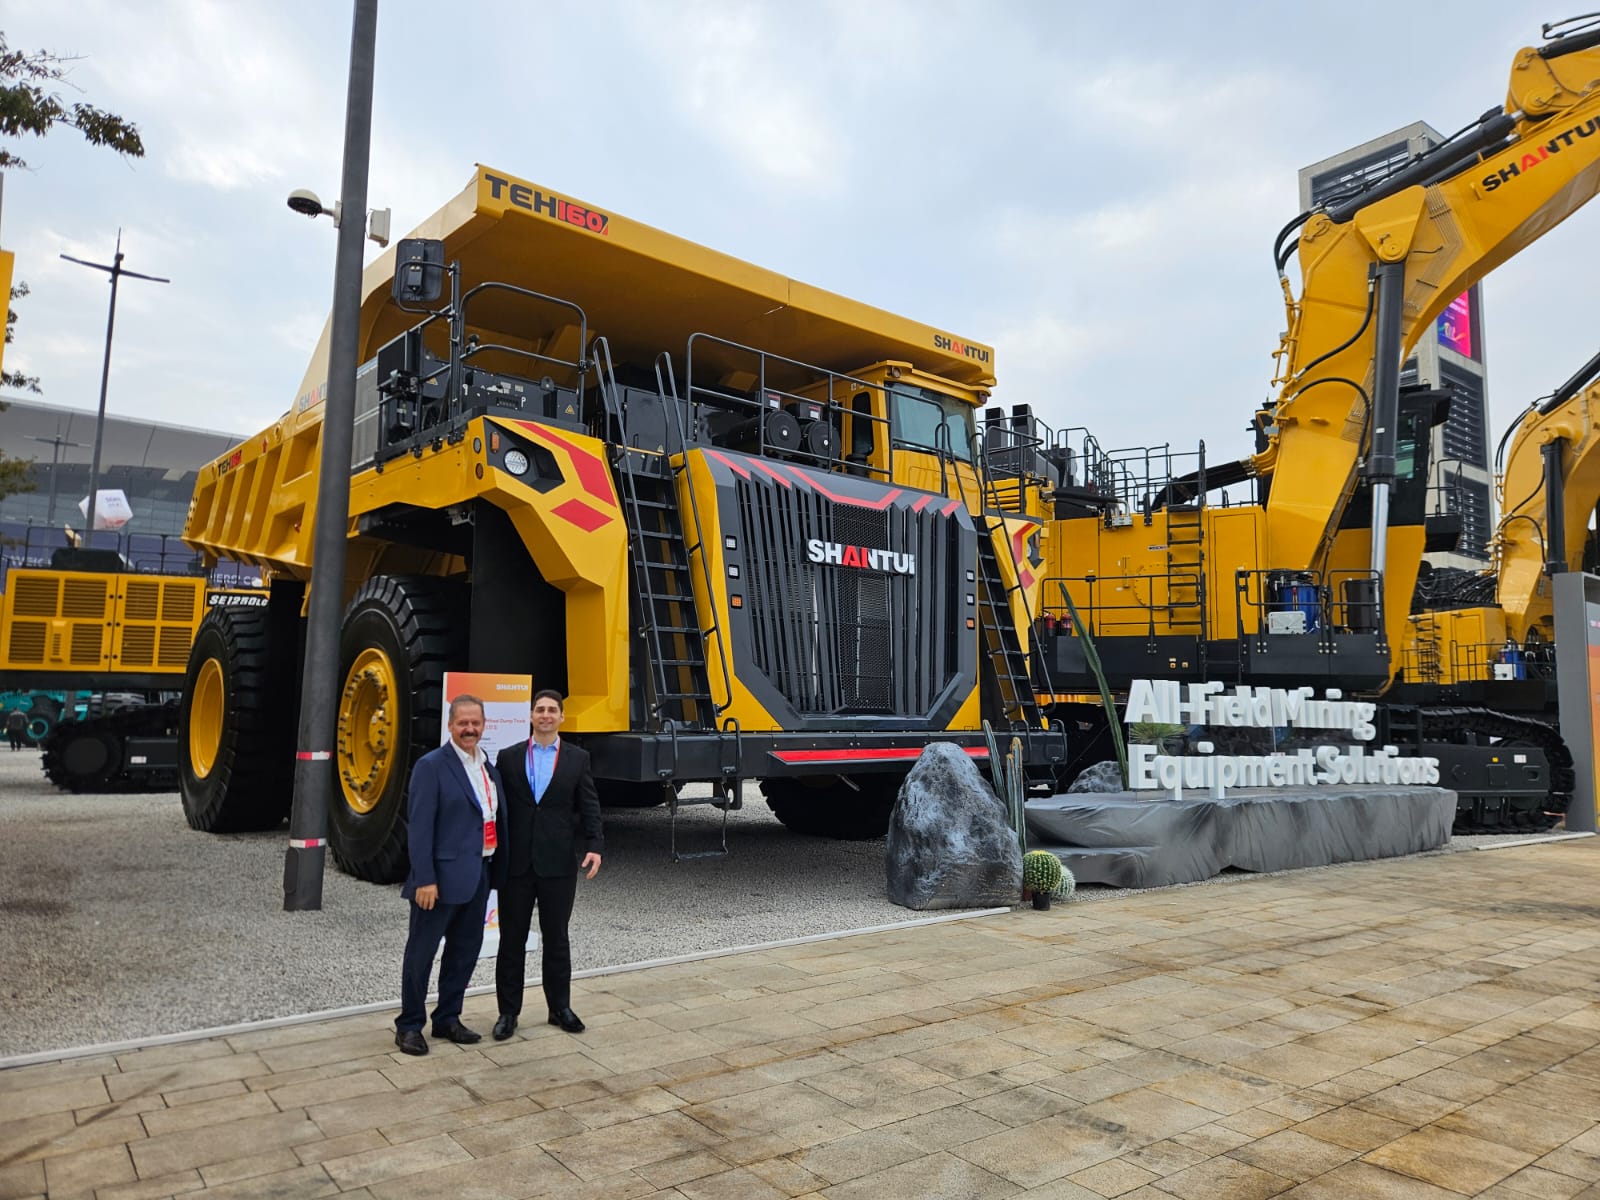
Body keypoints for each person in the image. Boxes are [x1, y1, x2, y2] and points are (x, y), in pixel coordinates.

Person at [394, 693, 505, 1056]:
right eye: (463, 723)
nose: (469, 729)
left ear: (484, 725)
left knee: (464, 952)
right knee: (421, 953)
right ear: (450, 725)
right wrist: (424, 878)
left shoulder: (488, 767)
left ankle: (447, 1018)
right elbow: (420, 827)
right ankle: (409, 1025)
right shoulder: (432, 766)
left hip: (479, 875)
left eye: (475, 723)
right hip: (437, 882)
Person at [491, 688, 603, 1040]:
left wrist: (595, 844)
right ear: (530, 716)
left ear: (561, 717)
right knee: (511, 941)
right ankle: (508, 1013)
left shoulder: (577, 758)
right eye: (539, 709)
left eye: (552, 710)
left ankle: (560, 1008)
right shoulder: (507, 758)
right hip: (516, 865)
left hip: (558, 863)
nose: (545, 715)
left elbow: (589, 805)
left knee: (557, 939)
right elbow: (497, 808)